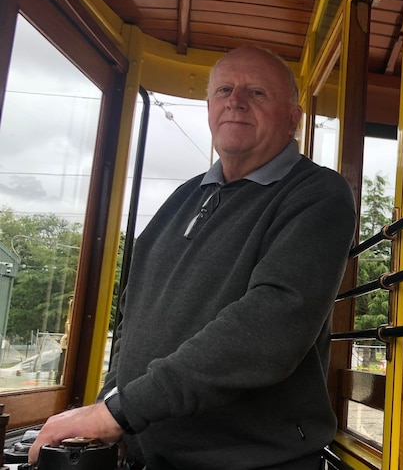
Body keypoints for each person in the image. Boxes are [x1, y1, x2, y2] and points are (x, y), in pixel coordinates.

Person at [28, 46, 357, 469]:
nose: (235, 100)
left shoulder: (316, 194)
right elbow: (132, 316)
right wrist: (111, 405)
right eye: (224, 89)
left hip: (251, 461)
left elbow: (269, 326)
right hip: (146, 452)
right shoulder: (182, 198)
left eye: (256, 92)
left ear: (293, 119)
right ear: (209, 109)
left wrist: (123, 412)